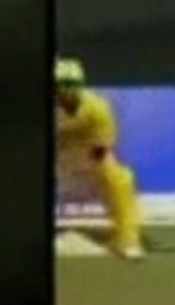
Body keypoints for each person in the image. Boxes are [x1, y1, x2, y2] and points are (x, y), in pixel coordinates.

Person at [55, 57, 144, 260]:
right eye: (62, 84)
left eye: (73, 84)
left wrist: (79, 169)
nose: (68, 89)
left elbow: (101, 148)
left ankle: (128, 241)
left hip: (84, 158)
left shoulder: (97, 107)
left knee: (121, 179)